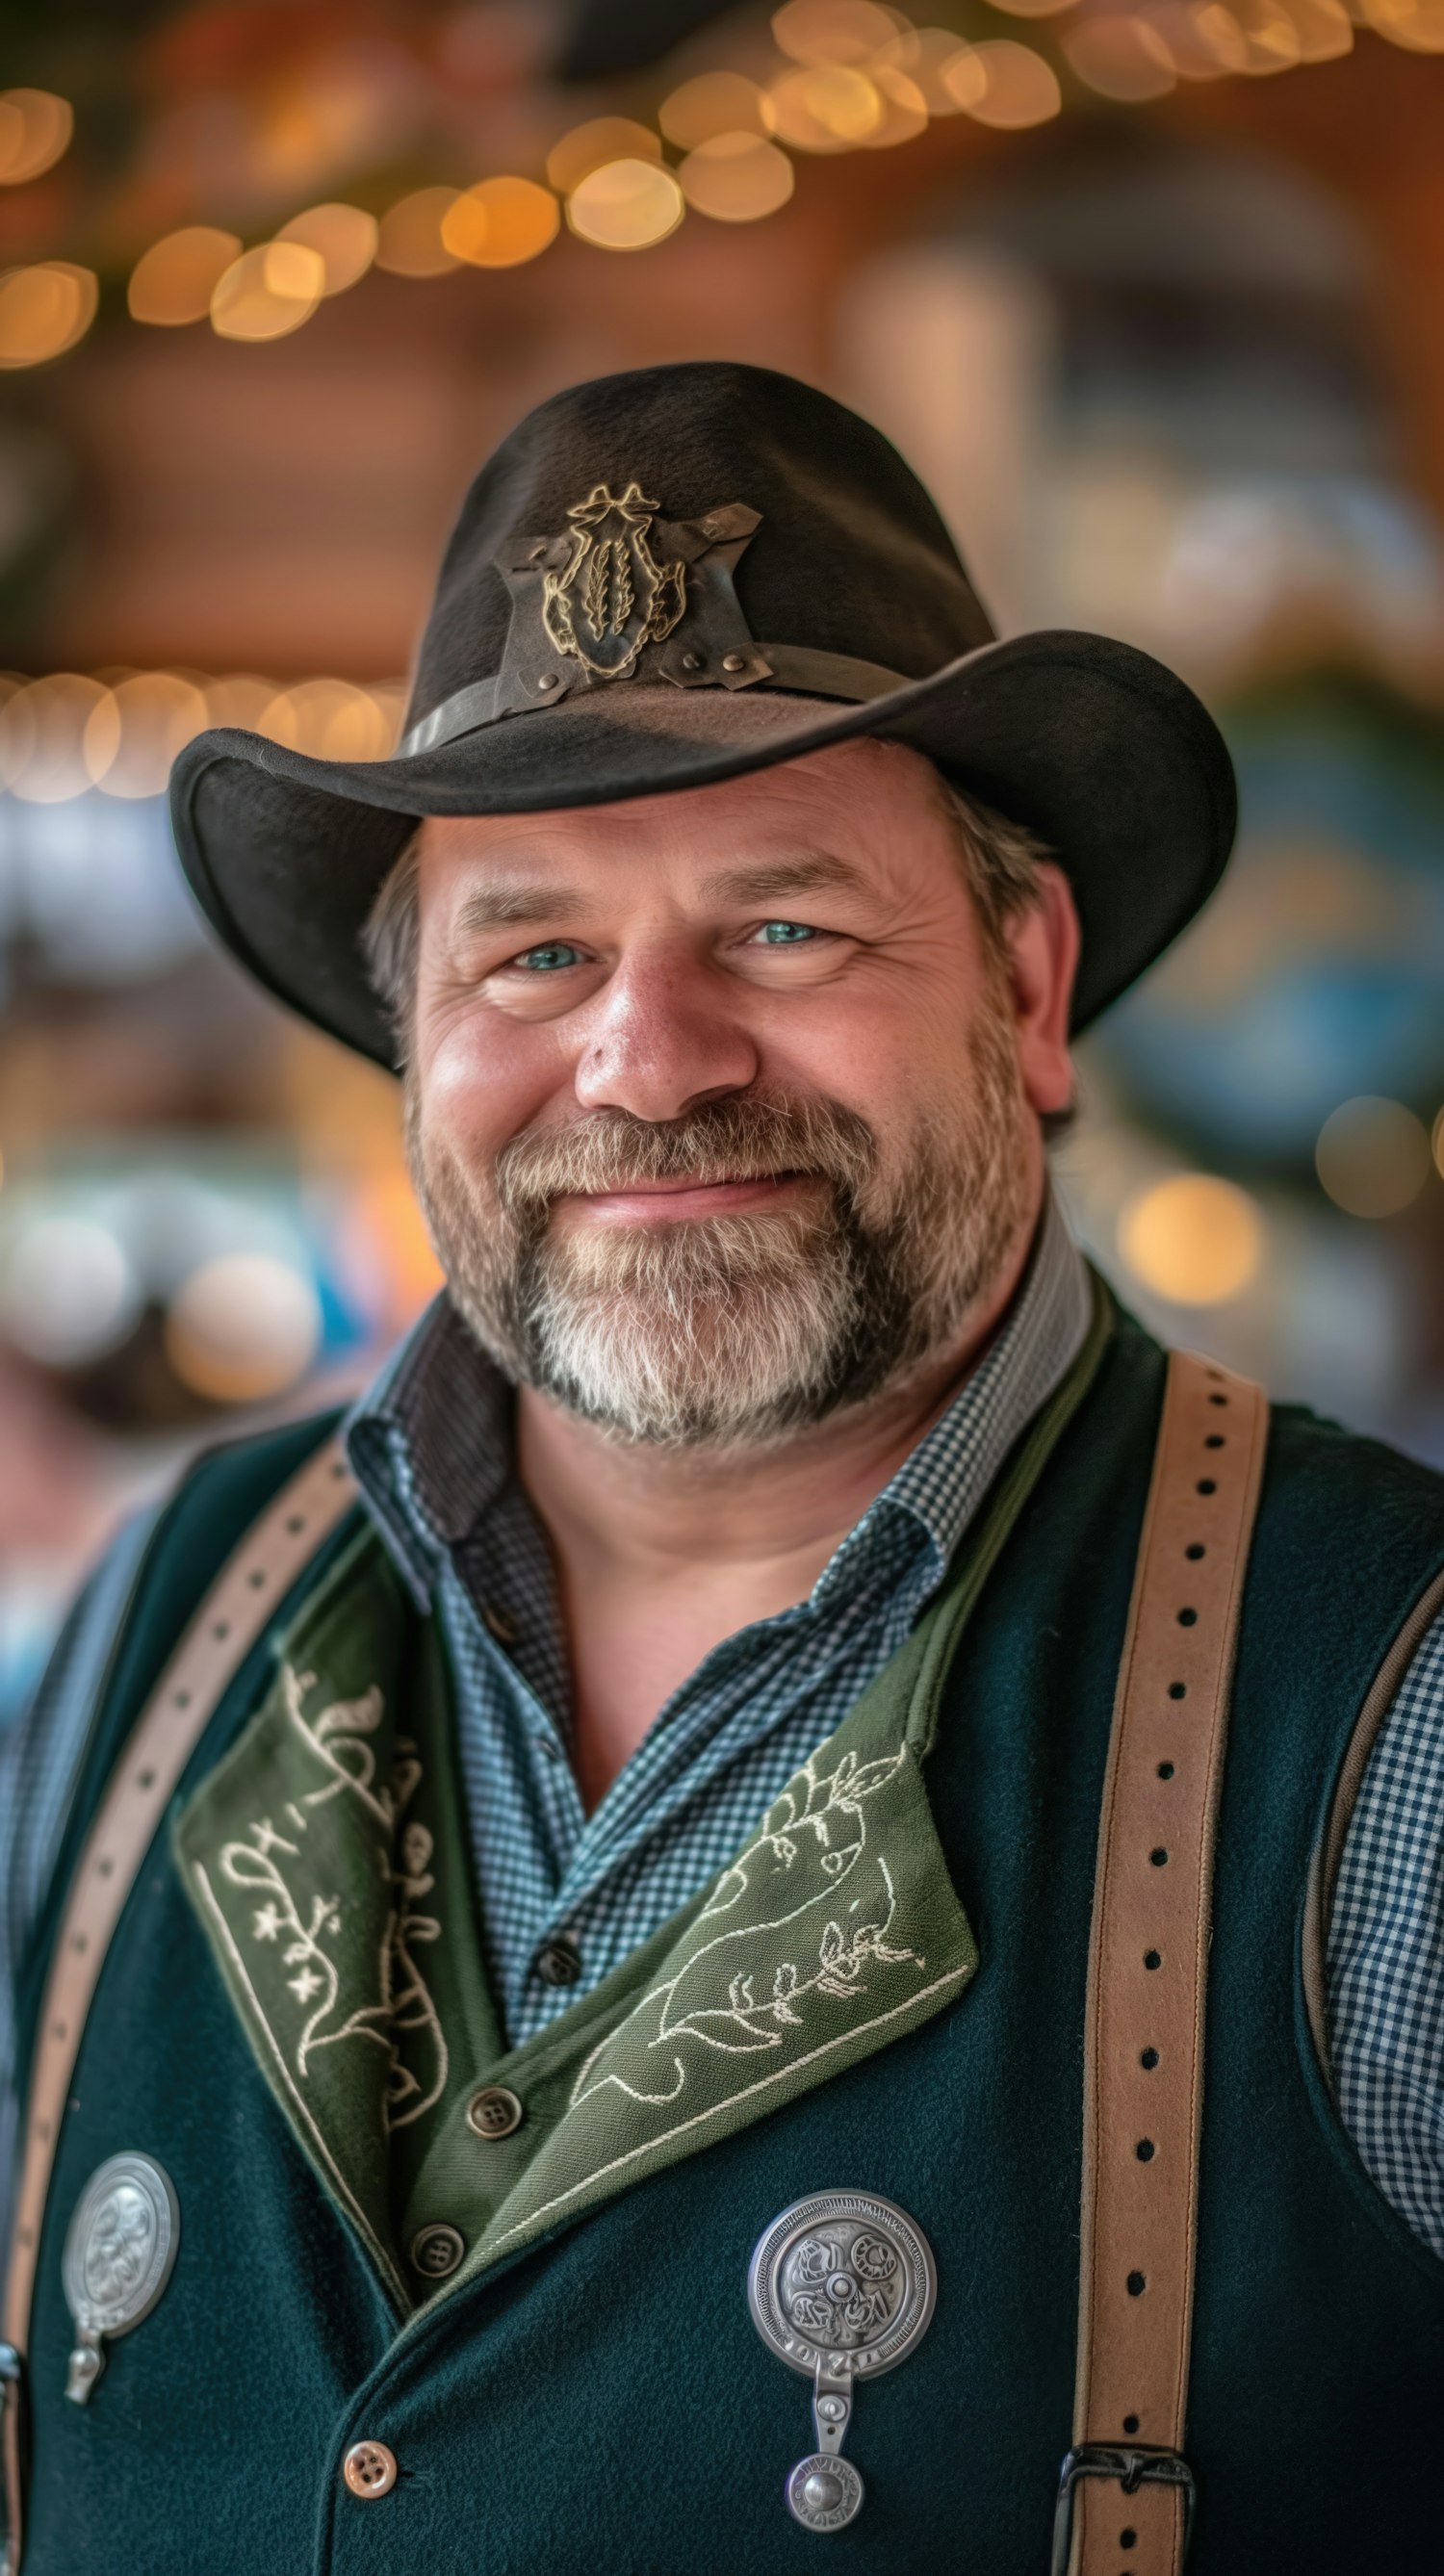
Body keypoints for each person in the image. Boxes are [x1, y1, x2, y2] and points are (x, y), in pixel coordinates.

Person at [2, 362, 1441, 2576]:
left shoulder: (1391, 1714)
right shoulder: (148, 1623)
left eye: (782, 926)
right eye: (535, 950)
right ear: (417, 1041)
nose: (647, 1065)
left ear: (1028, 987)